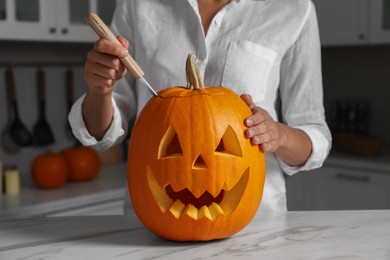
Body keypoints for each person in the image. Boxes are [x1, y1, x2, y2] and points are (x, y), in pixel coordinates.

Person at [69, 0, 331, 213]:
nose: (198, 166)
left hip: (256, 230)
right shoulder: (138, 5)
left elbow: (315, 135)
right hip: (154, 230)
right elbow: (103, 134)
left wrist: (278, 134)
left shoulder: (294, 9)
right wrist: (100, 91)